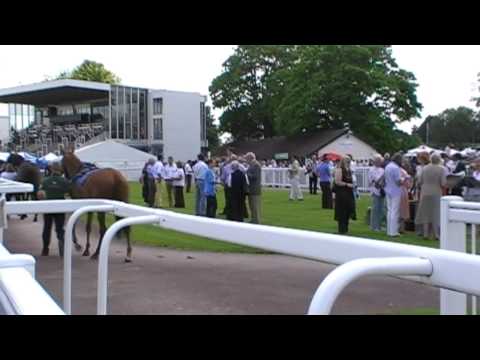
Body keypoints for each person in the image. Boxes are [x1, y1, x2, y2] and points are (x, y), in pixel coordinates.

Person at [37, 162, 71, 257]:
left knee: (47, 228)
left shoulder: (45, 181)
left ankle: (45, 249)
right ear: (60, 170)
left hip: (48, 207)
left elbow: (40, 193)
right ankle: (61, 246)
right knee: (60, 228)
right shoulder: (65, 181)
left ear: (51, 169)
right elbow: (69, 193)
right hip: (60, 207)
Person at [415, 154, 447, 240]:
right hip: (436, 192)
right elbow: (443, 183)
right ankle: (436, 234)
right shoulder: (442, 169)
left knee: (425, 213)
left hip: (425, 192)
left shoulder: (424, 168)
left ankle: (425, 234)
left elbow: (419, 181)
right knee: (435, 213)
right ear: (439, 160)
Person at [334, 157, 355, 234]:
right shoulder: (339, 169)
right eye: (347, 161)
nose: (348, 162)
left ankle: (346, 229)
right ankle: (341, 230)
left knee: (348, 211)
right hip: (342, 193)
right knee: (342, 211)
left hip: (348, 193)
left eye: (349, 161)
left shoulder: (349, 170)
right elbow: (337, 182)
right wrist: (347, 184)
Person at [384, 153, 404, 237]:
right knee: (395, 211)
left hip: (388, 189)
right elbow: (398, 182)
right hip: (395, 190)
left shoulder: (388, 166)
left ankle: (389, 230)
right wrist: (403, 179)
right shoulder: (396, 168)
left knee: (389, 210)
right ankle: (393, 231)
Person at [368, 155, 385, 232]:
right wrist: (380, 180)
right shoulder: (371, 169)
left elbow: (384, 179)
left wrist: (382, 183)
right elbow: (373, 179)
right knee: (375, 209)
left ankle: (379, 226)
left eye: (380, 161)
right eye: (377, 160)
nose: (379, 162)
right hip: (375, 190)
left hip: (382, 190)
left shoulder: (382, 170)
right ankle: (373, 226)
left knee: (381, 209)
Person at [245, 152, 262, 224]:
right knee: (251, 205)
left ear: (250, 158)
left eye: (246, 159)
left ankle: (256, 220)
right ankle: (253, 219)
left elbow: (255, 176)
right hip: (250, 188)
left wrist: (246, 174)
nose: (246, 160)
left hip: (255, 189)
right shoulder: (251, 165)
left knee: (255, 206)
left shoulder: (256, 165)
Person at [399, 159, 413, 233]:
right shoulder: (405, 173)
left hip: (397, 191)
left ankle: (397, 227)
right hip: (403, 191)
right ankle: (401, 228)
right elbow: (408, 185)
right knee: (403, 210)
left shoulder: (397, 170)